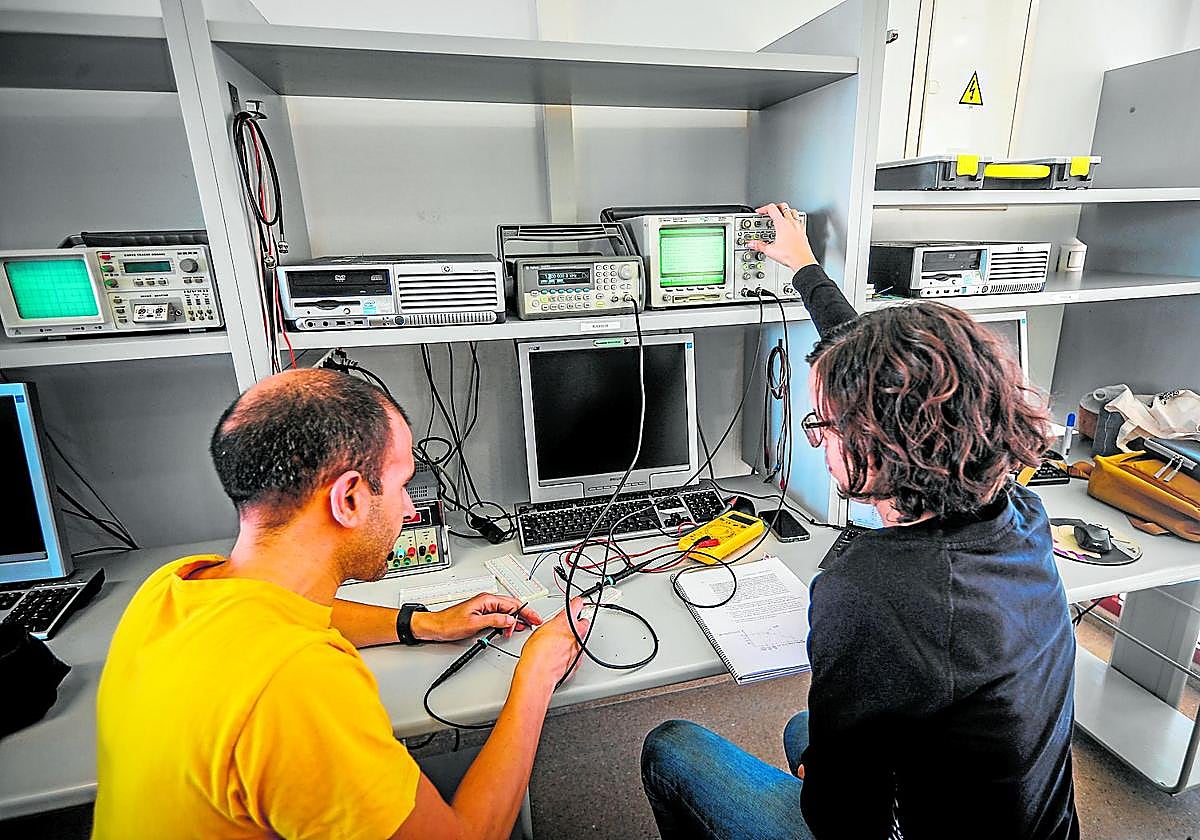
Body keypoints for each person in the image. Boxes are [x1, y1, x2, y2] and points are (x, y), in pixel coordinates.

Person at [641, 203, 1080, 840]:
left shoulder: (869, 589)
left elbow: (840, 818)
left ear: (878, 439)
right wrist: (805, 267)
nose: (816, 440)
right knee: (805, 728)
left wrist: (822, 774)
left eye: (821, 422)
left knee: (674, 747)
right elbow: (887, 373)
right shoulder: (1020, 513)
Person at [94, 368, 589, 839]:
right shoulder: (298, 684)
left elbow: (289, 615)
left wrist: (424, 623)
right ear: (349, 498)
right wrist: (536, 674)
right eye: (402, 486)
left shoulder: (175, 586)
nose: (411, 510)